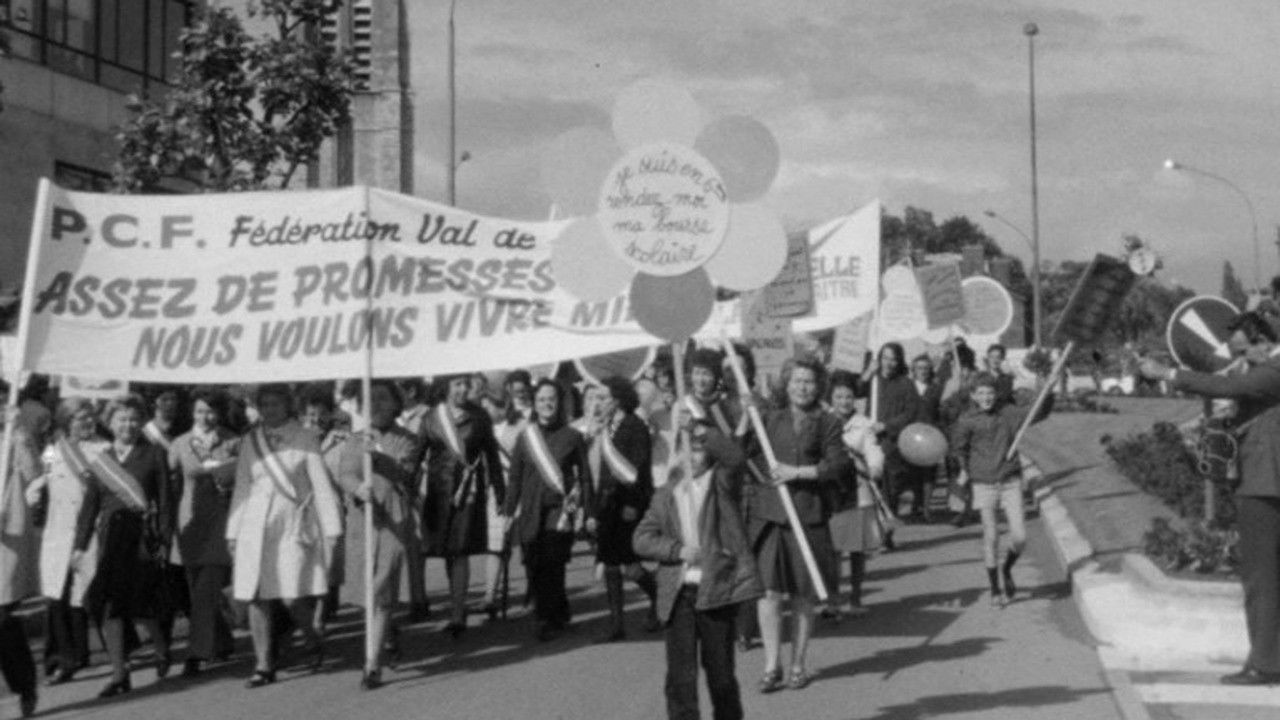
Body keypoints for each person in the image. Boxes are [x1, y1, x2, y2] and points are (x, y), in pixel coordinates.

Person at [1138, 311, 1280, 685]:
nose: (1242, 361)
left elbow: (1229, 389)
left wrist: (1167, 374)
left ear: (1264, 341)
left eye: (1246, 351)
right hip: (1263, 481)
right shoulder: (1265, 370)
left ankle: (1266, 664)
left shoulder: (1273, 371)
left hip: (1265, 484)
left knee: (1261, 575)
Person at [633, 420, 763, 720]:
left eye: (701, 449)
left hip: (716, 589)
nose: (695, 454)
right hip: (678, 595)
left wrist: (701, 430)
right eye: (688, 447)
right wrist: (677, 551)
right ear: (678, 452)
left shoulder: (721, 482)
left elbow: (735, 458)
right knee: (681, 679)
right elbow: (641, 538)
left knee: (721, 676)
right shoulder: (666, 493)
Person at [226, 383, 343, 688]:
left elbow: (321, 485)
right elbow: (242, 485)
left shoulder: (304, 438)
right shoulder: (251, 440)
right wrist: (233, 531)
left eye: (275, 404)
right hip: (254, 523)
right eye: (264, 404)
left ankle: (311, 635)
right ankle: (264, 664)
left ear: (287, 406)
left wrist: (332, 529)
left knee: (291, 594)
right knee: (255, 595)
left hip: (293, 522)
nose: (269, 410)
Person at [747, 356, 850, 692]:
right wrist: (743, 415)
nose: (802, 387)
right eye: (796, 381)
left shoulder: (828, 422)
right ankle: (771, 664)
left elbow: (837, 465)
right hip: (771, 516)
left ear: (818, 385)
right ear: (786, 384)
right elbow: (744, 455)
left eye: (808, 381)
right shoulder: (767, 418)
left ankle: (798, 664)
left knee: (803, 595)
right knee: (770, 593)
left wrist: (798, 473)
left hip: (808, 516)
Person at [73, 394, 173, 697]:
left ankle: (159, 646)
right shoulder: (103, 459)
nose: (127, 425)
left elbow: (166, 501)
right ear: (110, 423)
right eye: (121, 419)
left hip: (142, 541)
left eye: (132, 419)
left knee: (141, 604)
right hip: (110, 542)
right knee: (107, 606)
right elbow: (91, 505)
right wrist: (79, 546)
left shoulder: (153, 453)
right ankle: (120, 673)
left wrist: (166, 541)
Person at [335, 380, 422, 690]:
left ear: (395, 403)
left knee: (380, 590)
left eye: (383, 399)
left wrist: (380, 455)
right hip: (362, 520)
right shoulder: (353, 441)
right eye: (370, 400)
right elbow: (345, 473)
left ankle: (371, 665)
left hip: (393, 522)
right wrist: (358, 488)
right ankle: (386, 634)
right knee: (366, 594)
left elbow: (405, 471)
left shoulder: (407, 439)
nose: (377, 405)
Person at [951, 372, 1055, 608]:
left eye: (990, 392)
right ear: (973, 396)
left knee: (1019, 537)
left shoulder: (1007, 413)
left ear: (996, 394)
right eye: (981, 393)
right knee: (992, 536)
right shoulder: (967, 420)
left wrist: (1048, 393)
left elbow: (1036, 413)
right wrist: (964, 470)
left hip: (1010, 480)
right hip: (983, 483)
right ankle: (995, 589)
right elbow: (959, 448)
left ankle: (1007, 567)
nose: (986, 397)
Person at [503, 380, 588, 641]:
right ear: (534, 404)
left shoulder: (572, 436)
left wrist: (586, 509)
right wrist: (508, 511)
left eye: (551, 399)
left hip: (558, 509)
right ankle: (558, 609)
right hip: (530, 509)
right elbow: (515, 477)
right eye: (541, 399)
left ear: (559, 402)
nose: (547, 404)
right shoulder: (525, 437)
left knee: (553, 561)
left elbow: (584, 477)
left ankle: (545, 617)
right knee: (534, 562)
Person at [420, 374, 503, 638]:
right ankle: (459, 603)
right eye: (458, 384)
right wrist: (407, 485)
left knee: (459, 550)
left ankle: (457, 613)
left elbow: (491, 454)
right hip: (439, 493)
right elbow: (418, 454)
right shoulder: (431, 418)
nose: (463, 389)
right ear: (446, 387)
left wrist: (500, 491)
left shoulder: (479, 417)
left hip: (468, 491)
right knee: (447, 550)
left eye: (466, 384)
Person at [27, 400, 103, 685]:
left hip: (89, 529)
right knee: (55, 595)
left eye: (89, 417)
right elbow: (42, 480)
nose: (86, 422)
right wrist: (31, 495)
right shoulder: (51, 451)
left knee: (84, 596)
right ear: (67, 421)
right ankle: (65, 658)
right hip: (57, 531)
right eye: (80, 417)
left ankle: (89, 652)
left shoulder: (101, 449)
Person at [168, 388, 239, 677]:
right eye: (199, 411)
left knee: (205, 588)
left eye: (210, 411)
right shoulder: (180, 443)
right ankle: (221, 641)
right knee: (197, 587)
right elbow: (169, 480)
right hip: (189, 522)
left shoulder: (233, 441)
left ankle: (197, 652)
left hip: (221, 520)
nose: (205, 417)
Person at [584, 375, 660, 642]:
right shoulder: (604, 429)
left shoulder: (634, 426)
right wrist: (593, 511)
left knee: (629, 564)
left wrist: (631, 505)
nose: (598, 403)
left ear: (617, 400)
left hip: (628, 504)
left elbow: (637, 469)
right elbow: (599, 474)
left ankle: (659, 597)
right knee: (610, 563)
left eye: (602, 398)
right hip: (607, 505)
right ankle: (617, 623)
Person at [824, 371, 885, 618]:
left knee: (857, 549)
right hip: (831, 492)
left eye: (848, 397)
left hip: (858, 491)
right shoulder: (823, 422)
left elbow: (873, 450)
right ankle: (833, 600)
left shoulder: (864, 423)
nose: (844, 402)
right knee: (834, 550)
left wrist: (875, 468)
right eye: (838, 397)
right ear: (832, 398)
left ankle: (856, 596)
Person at [2, 403, 45, 717]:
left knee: (1, 616)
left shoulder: (11, 439)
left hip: (6, 541)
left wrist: (18, 436)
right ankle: (24, 683)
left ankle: (25, 685)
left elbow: (33, 473)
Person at [860, 343, 919, 546]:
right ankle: (875, 530)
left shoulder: (906, 384)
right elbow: (856, 391)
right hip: (870, 441)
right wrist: (868, 372)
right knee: (871, 486)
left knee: (892, 488)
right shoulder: (873, 380)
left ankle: (887, 530)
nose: (889, 363)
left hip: (892, 443)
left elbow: (911, 412)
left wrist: (887, 425)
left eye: (893, 358)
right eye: (885, 357)